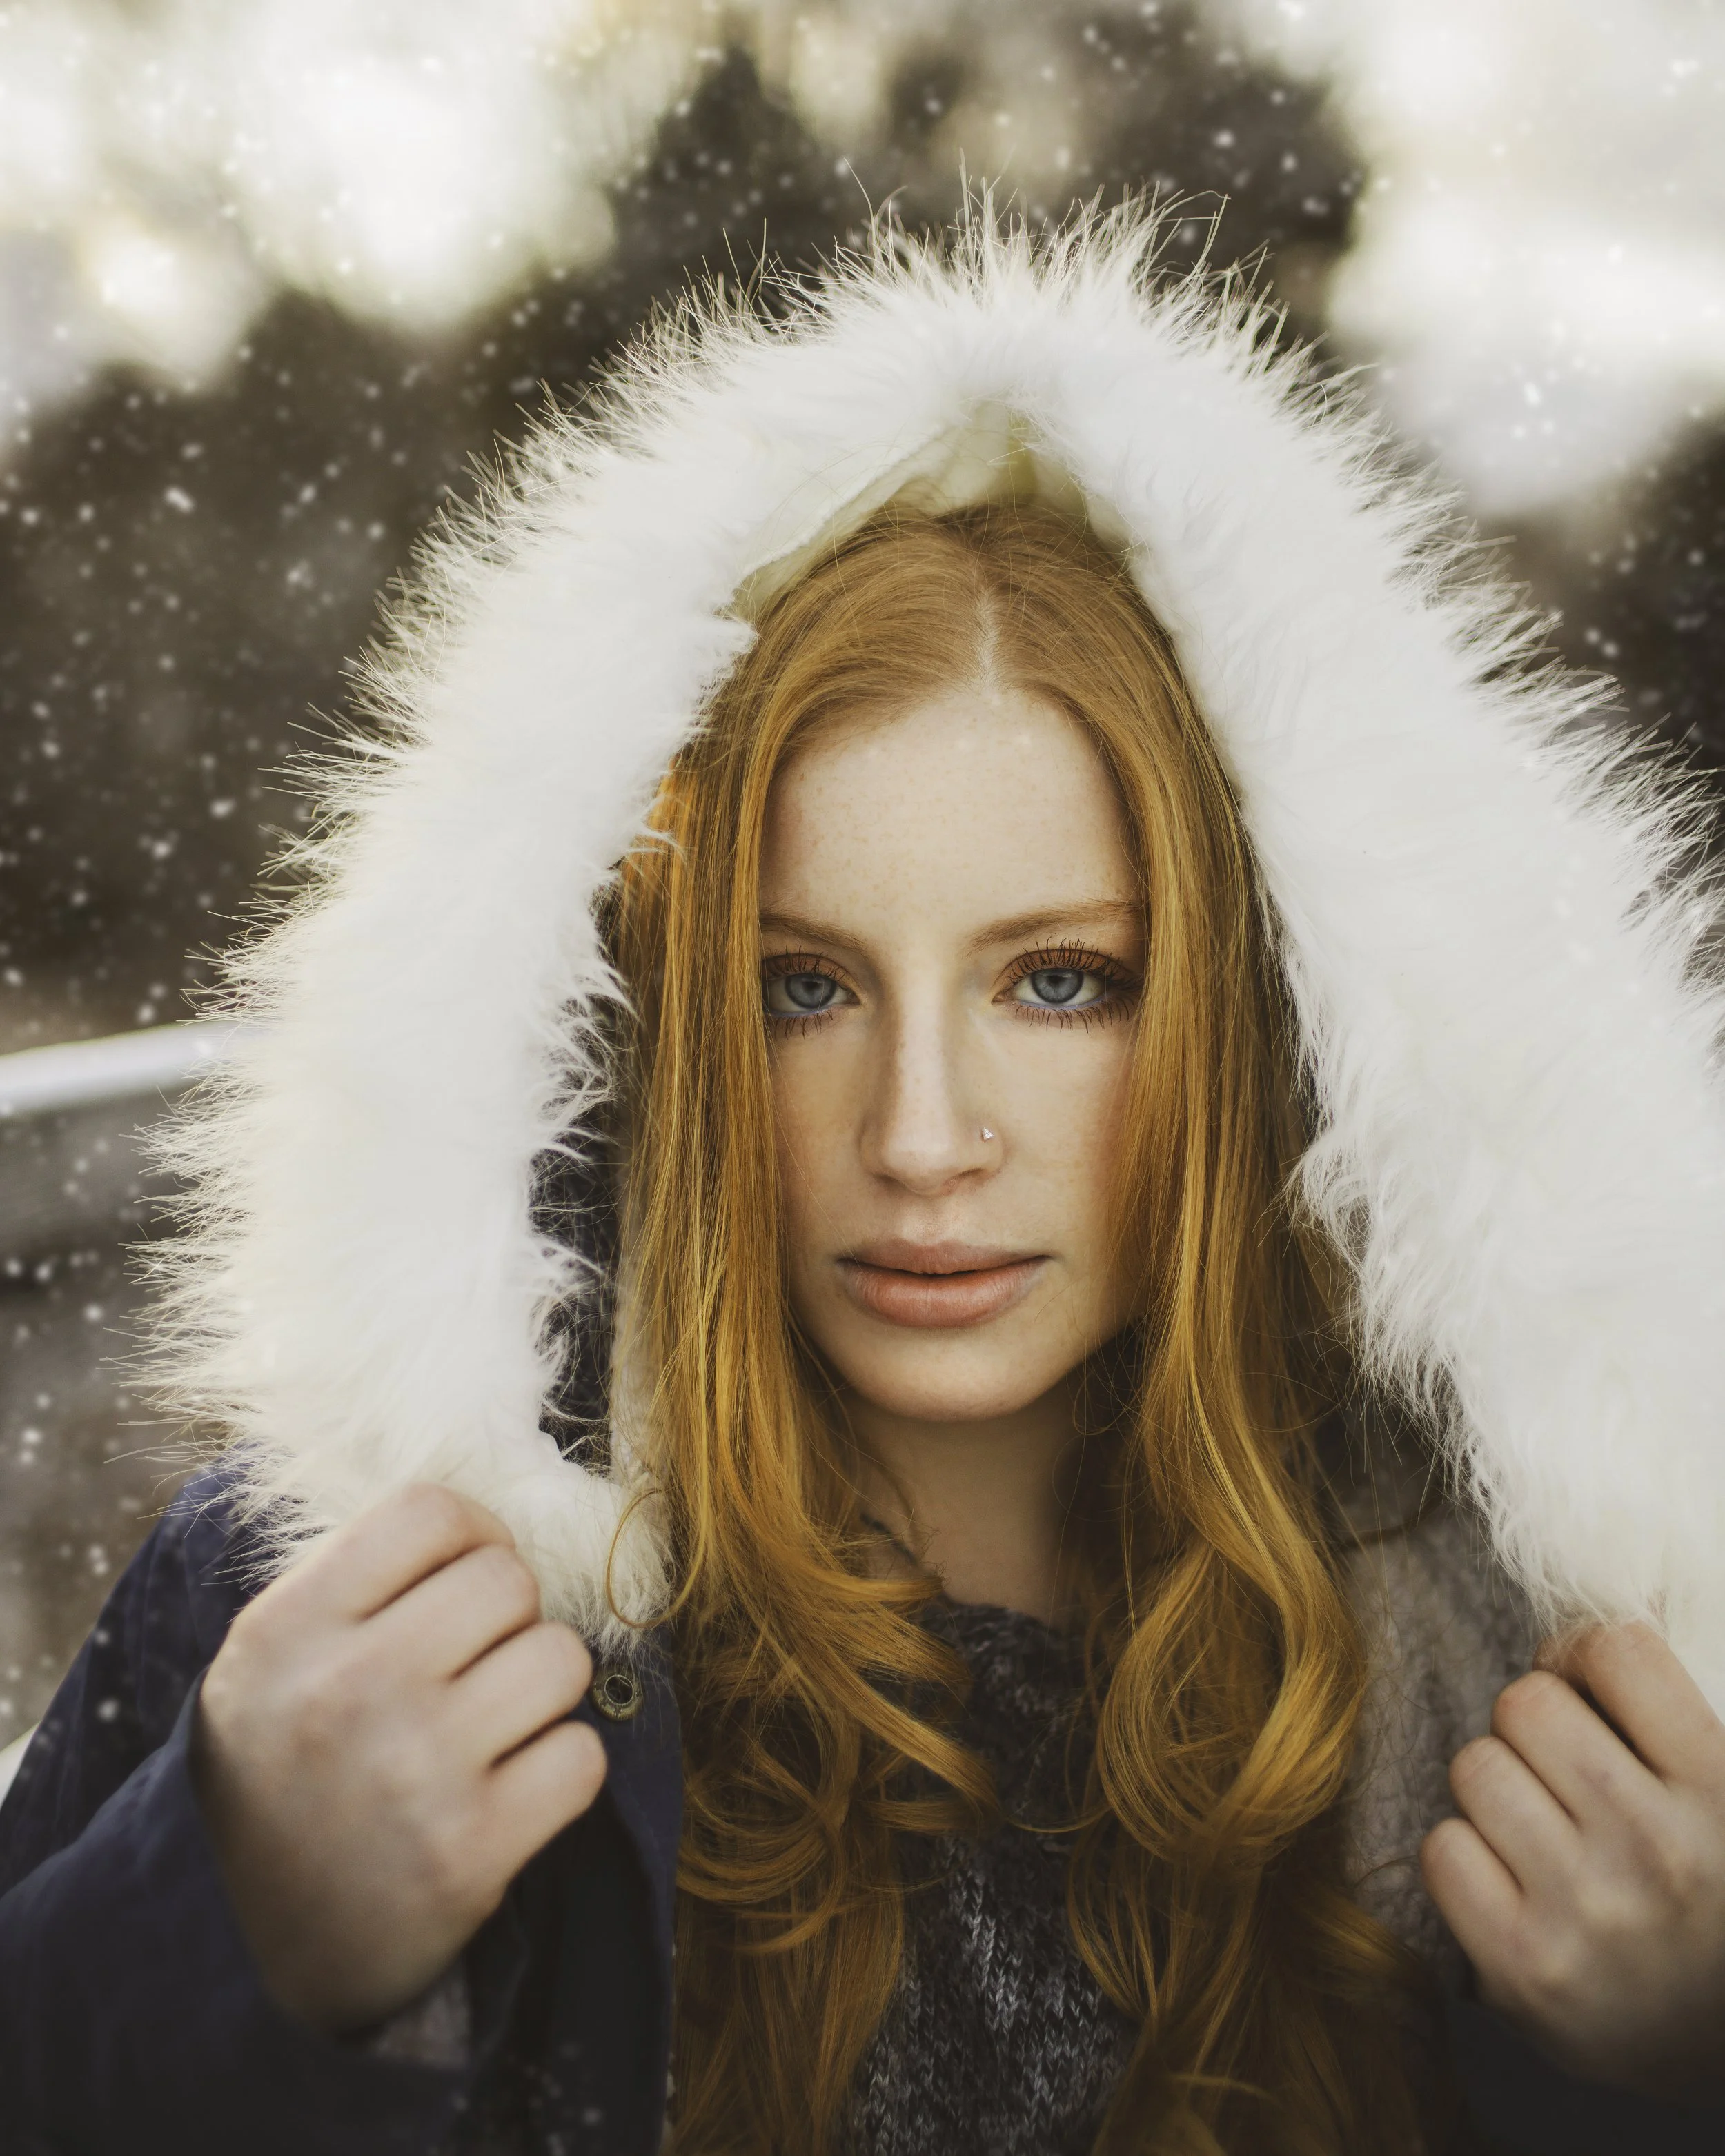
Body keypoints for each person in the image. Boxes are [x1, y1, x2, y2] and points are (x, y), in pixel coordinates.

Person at [5, 210, 1725, 2155]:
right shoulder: (327, 1610)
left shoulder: (1543, 1675)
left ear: (1259, 1023)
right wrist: (210, 1932)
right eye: (800, 984)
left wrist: (1679, 2074)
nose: (921, 1133)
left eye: (1061, 979)